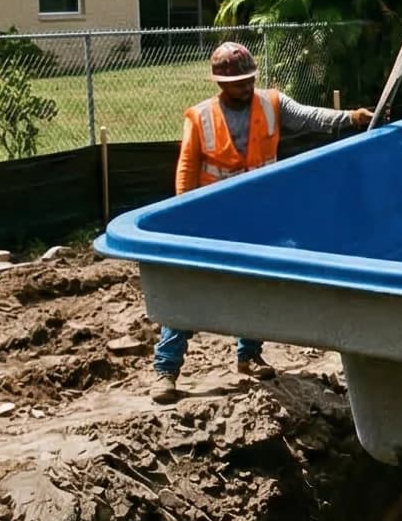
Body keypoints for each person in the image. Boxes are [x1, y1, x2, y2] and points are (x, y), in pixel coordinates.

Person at [151, 41, 372, 403]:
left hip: (259, 215)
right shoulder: (200, 116)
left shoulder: (271, 103)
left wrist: (349, 118)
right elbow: (187, 168)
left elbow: (309, 116)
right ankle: (166, 369)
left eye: (250, 79)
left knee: (258, 284)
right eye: (239, 82)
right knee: (189, 289)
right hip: (213, 218)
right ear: (220, 83)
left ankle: (249, 355)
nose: (247, 87)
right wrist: (182, 215)